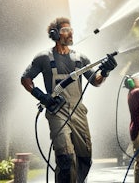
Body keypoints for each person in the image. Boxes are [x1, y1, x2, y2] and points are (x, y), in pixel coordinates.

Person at [21, 17, 117, 183]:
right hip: (57, 112)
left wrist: (106, 71)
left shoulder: (80, 58)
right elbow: (25, 78)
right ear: (55, 34)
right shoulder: (43, 57)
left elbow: (95, 81)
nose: (70, 33)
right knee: (65, 158)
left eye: (71, 29)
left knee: (85, 157)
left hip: (79, 111)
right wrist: (41, 96)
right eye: (66, 30)